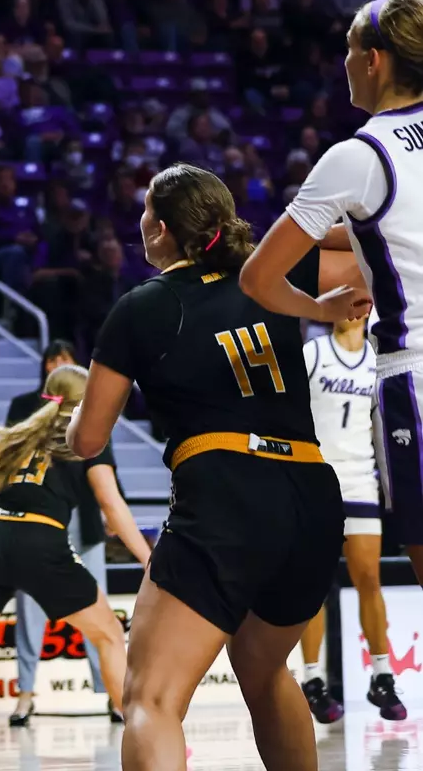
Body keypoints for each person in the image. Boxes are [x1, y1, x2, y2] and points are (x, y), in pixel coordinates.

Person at [75, 163, 360, 771]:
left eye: (146, 211)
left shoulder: (142, 307)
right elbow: (379, 256)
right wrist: (317, 231)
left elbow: (88, 439)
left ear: (160, 228)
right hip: (311, 495)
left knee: (150, 697)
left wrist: (72, 414)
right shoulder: (274, 271)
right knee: (261, 667)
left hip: (227, 488)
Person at [239, 0, 423, 605]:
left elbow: (258, 279)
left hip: (414, 376)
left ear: (374, 60)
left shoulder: (357, 156)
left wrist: (322, 309)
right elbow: (394, 224)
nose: (342, 63)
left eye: (347, 50)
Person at [0, 368, 149, 756]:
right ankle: (144, 744)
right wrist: (147, 558)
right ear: (86, 400)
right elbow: (111, 504)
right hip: (39, 537)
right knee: (107, 635)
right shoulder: (86, 435)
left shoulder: (20, 436)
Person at [296, 314, 401, 722]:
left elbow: (381, 427)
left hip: (359, 483)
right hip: (316, 480)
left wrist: (390, 491)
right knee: (313, 586)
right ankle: (311, 679)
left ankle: (382, 675)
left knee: (369, 579)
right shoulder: (313, 352)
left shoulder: (378, 361)